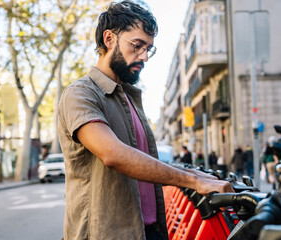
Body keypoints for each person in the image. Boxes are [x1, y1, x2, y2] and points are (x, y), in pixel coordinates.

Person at [57, 1, 234, 239]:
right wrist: (194, 181)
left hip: (148, 230)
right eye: (137, 45)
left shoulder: (129, 98)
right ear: (109, 39)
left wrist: (205, 178)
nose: (145, 57)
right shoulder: (81, 94)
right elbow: (114, 154)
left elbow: (146, 162)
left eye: (149, 48)